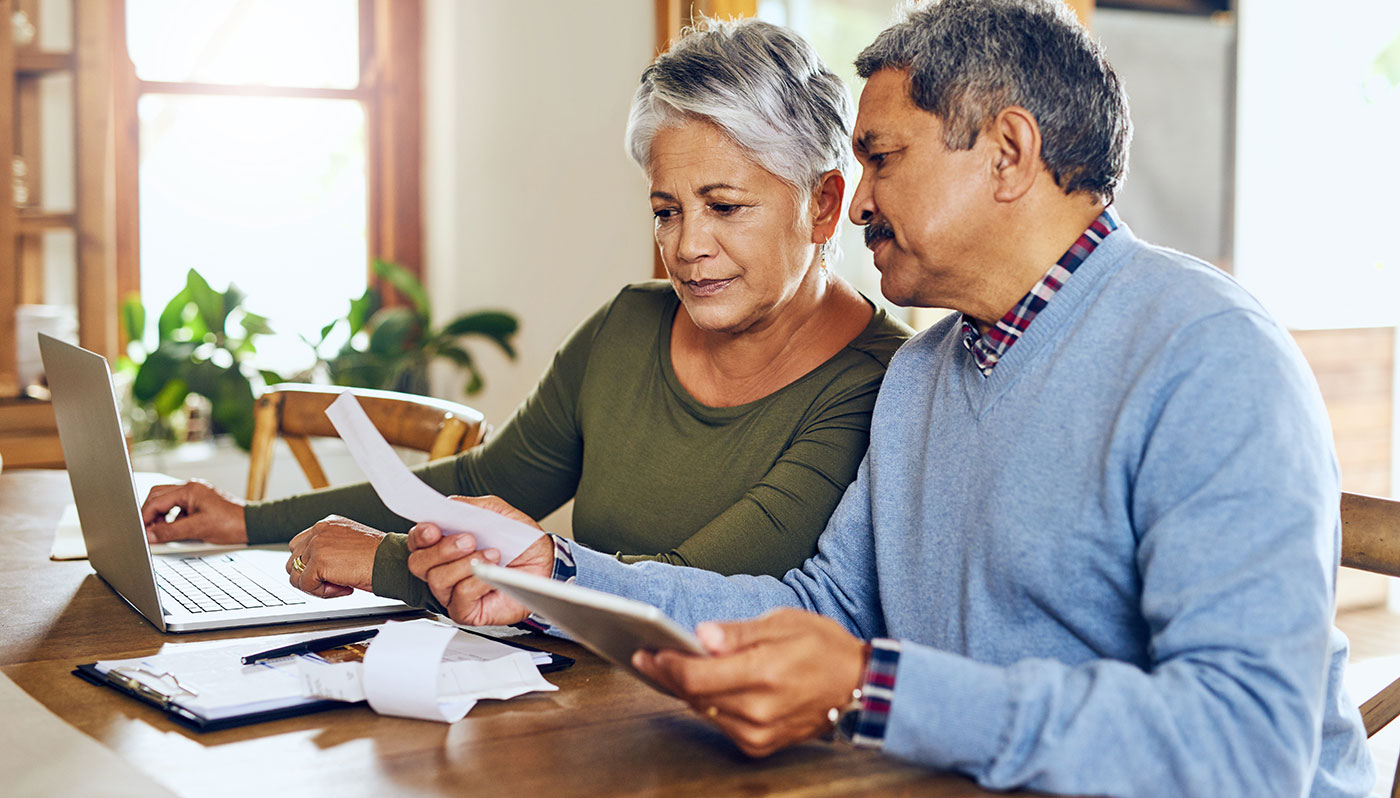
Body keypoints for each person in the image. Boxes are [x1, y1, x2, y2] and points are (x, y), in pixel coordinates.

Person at [400, 1, 1376, 795]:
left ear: (1005, 151)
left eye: (881, 157)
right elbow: (821, 604)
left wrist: (873, 690)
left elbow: (1246, 750)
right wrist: (556, 573)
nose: (855, 202)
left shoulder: (1206, 356)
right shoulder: (924, 370)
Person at [139, 19, 911, 610]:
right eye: (666, 210)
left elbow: (694, 588)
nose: (687, 247)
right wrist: (242, 520)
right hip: (571, 705)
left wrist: (383, 561)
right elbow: (482, 478)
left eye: (724, 207)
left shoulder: (879, 385)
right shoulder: (629, 326)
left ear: (822, 203)